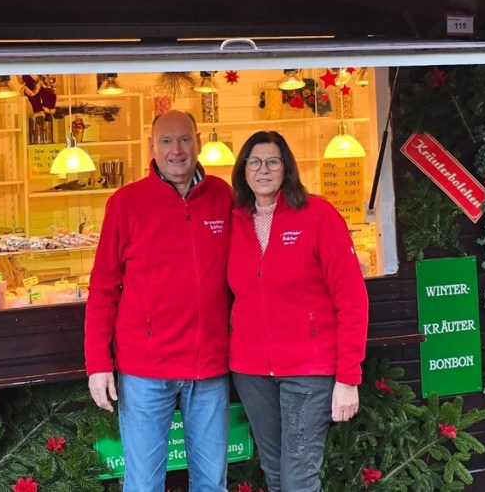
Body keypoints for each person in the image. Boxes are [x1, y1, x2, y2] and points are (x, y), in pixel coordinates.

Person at [85, 110, 233, 492]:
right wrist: (98, 363)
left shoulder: (224, 196)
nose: (176, 150)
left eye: (184, 139)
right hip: (146, 371)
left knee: (212, 482)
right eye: (166, 141)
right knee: (144, 484)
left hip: (210, 366)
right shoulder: (126, 203)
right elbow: (103, 288)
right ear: (151, 146)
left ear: (198, 142)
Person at [228, 131, 369, 492]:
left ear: (286, 167)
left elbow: (352, 298)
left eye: (272, 161)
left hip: (307, 371)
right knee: (275, 475)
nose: (263, 170)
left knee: (298, 479)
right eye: (254, 162)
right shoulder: (234, 222)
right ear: (243, 169)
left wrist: (348, 376)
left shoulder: (318, 214)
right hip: (251, 371)